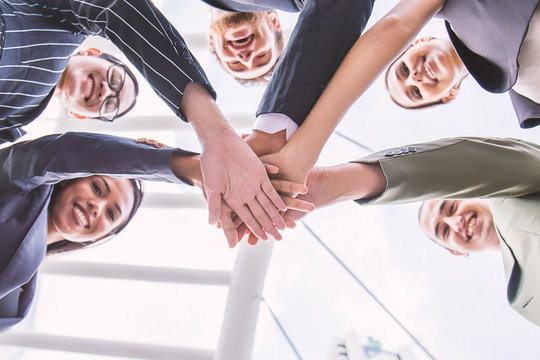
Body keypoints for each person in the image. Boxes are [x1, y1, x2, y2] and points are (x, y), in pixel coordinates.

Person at [0, 0, 291, 243]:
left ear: (81, 116)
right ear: (91, 51)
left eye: (110, 104)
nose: (105, 90)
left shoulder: (16, 120)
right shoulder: (61, 24)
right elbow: (113, 7)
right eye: (115, 78)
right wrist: (213, 134)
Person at [0, 131, 312, 332]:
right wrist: (190, 168)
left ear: (100, 237)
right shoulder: (20, 181)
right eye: (98, 187)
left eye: (111, 214)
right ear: (70, 177)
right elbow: (63, 152)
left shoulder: (18, 303)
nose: (97, 207)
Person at [265, 137, 540, 326]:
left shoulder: (512, 184)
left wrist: (339, 183)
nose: (457, 222)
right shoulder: (522, 299)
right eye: (444, 231)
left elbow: (471, 164)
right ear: (457, 251)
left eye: (452, 206)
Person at [384, 0, 540, 128]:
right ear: (449, 95)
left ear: (418, 42)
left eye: (404, 69)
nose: (414, 78)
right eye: (416, 92)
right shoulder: (530, 93)